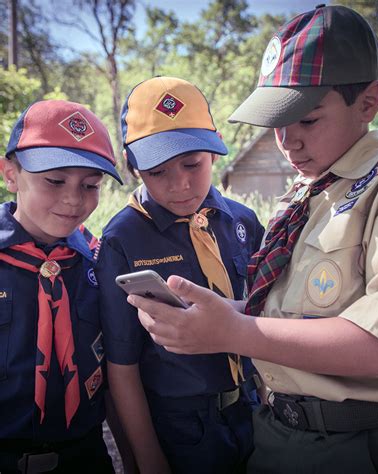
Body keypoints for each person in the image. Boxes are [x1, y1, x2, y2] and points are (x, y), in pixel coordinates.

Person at [129, 5, 378, 474]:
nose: (287, 142)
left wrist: (235, 332)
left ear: (368, 102)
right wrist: (218, 315)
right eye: (278, 122)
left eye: (307, 120)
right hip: (282, 437)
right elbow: (291, 317)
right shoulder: (306, 195)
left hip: (369, 447)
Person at [95, 76, 265, 474]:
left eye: (193, 163)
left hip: (254, 410)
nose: (181, 184)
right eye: (158, 172)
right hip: (181, 427)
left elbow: (269, 310)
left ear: (215, 148)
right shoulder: (123, 239)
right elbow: (122, 363)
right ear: (133, 166)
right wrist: (148, 458)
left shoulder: (242, 222)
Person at [0, 99, 123, 474]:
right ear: (10, 174)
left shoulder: (101, 263)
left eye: (90, 185)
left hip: (85, 459)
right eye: (54, 180)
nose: (73, 199)